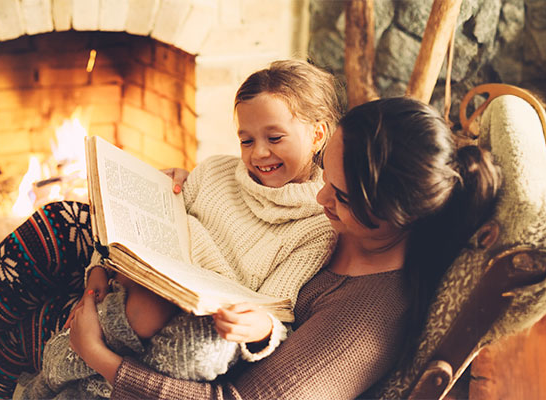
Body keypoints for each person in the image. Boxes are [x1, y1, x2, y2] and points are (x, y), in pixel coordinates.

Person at [0, 59, 343, 399]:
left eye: (274, 137)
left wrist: (259, 329)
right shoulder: (217, 173)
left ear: (318, 132)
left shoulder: (314, 225)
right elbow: (164, 223)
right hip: (133, 280)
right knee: (62, 217)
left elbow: (277, 311)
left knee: (18, 334)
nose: (258, 153)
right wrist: (99, 270)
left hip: (176, 322)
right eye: (246, 139)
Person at [66, 96, 502, 399]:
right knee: (63, 220)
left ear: (398, 216)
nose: (320, 197)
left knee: (27, 346)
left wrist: (100, 358)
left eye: (341, 196)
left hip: (162, 366)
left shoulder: (368, 319)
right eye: (325, 177)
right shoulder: (348, 227)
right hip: (154, 309)